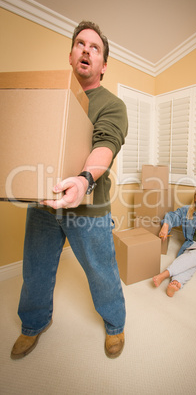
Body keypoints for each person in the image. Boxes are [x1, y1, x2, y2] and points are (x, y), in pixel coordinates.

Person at [11, 21, 128, 359]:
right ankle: (32, 325)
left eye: (95, 47)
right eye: (80, 44)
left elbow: (106, 143)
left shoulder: (111, 104)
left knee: (101, 270)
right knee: (35, 269)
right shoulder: (50, 97)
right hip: (44, 203)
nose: (86, 50)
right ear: (71, 54)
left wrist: (83, 180)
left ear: (103, 65)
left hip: (88, 208)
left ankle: (115, 324)